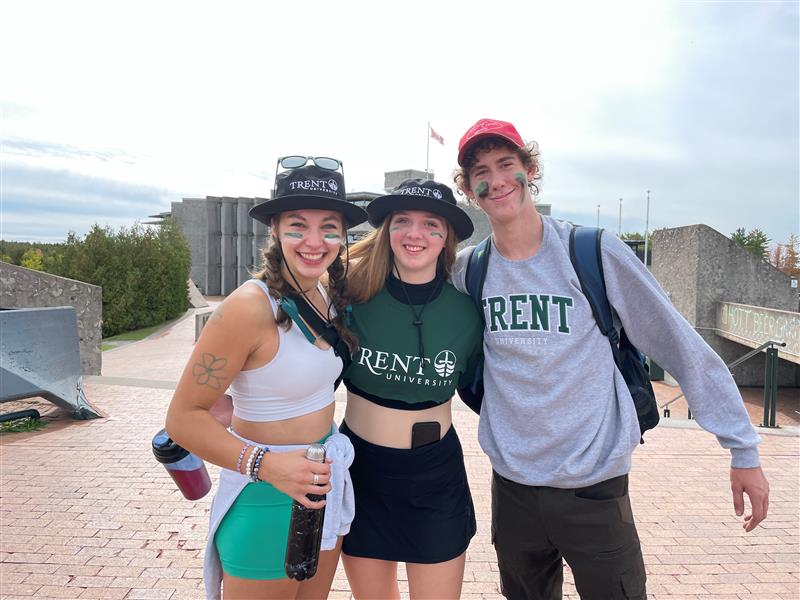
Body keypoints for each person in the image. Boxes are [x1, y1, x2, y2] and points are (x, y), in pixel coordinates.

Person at [450, 118, 771, 600]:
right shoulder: (469, 269)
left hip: (594, 488)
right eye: (480, 171)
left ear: (529, 169)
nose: (494, 180)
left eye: (505, 164)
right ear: (469, 189)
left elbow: (680, 346)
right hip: (512, 488)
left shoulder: (592, 252)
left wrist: (742, 449)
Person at [165, 158, 368, 600]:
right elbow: (183, 418)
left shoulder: (329, 294)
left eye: (328, 227)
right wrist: (267, 465)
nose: (315, 241)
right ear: (275, 229)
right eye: (298, 225)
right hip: (265, 495)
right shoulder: (248, 307)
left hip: (323, 486)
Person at [339, 179, 483, 599]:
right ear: (387, 231)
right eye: (403, 221)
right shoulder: (350, 297)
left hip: (434, 477)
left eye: (431, 224)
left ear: (446, 238)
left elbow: (491, 386)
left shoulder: (467, 313)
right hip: (360, 472)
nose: (415, 234)